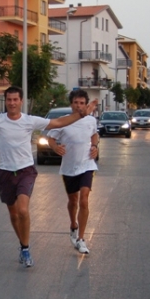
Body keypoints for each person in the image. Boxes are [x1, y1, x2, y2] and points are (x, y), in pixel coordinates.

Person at [0, 85, 97, 267]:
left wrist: (82, 114)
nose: (12, 103)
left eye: (15, 100)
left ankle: (26, 249)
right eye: (9, 100)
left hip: (26, 170)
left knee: (23, 210)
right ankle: (23, 245)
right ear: (6, 102)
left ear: (21, 101)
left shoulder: (29, 120)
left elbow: (58, 123)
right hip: (5, 171)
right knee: (13, 213)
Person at [47, 89, 99, 255]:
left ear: (85, 105)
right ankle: (73, 225)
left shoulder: (91, 120)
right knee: (73, 201)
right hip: (69, 167)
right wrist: (55, 147)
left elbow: (94, 135)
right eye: (76, 103)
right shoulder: (63, 121)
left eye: (82, 103)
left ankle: (81, 239)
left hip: (87, 165)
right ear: (71, 104)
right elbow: (51, 138)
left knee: (84, 199)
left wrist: (95, 146)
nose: (79, 106)